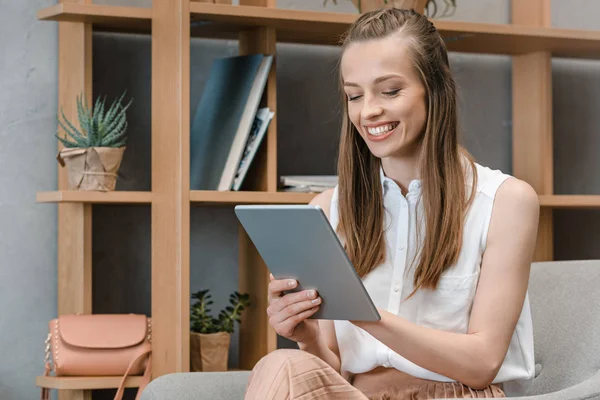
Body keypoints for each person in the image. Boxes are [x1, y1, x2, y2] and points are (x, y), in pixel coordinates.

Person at [245, 7, 539, 400]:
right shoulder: (329, 209)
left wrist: (368, 316)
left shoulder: (505, 202)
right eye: (354, 95)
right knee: (280, 364)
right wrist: (308, 338)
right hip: (355, 393)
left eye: (390, 91)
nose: (368, 111)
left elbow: (482, 363)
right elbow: (333, 365)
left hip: (458, 394)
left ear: (435, 89)